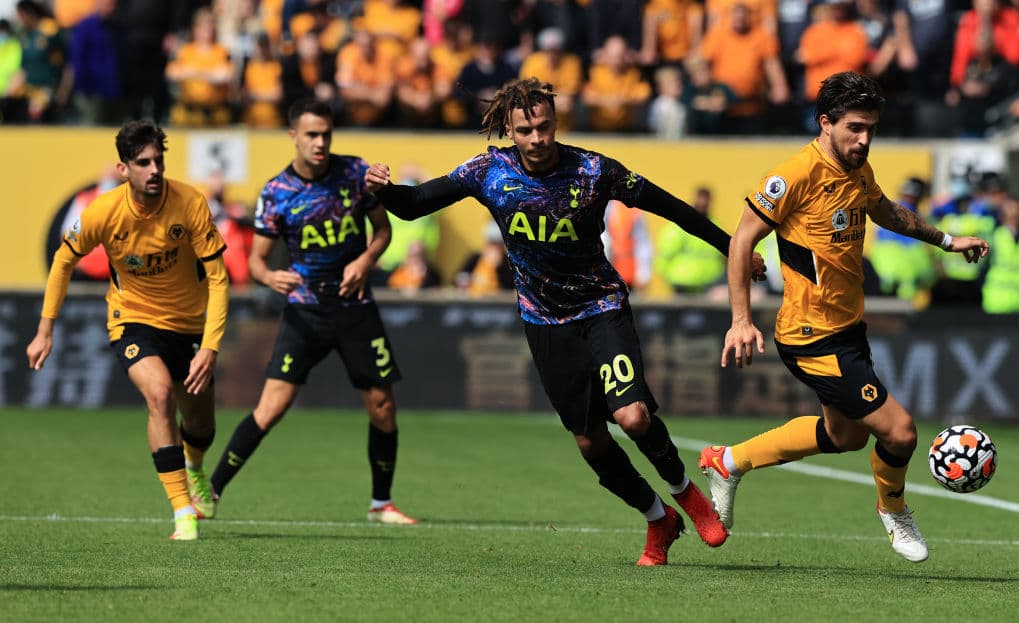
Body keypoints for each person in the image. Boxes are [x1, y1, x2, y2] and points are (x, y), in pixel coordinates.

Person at [365, 77, 767, 566]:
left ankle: (687, 494)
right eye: (525, 130)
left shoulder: (594, 171)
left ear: (556, 122)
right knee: (589, 439)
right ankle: (657, 518)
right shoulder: (487, 171)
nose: (537, 139)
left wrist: (734, 249)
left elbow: (672, 208)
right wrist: (381, 189)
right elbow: (412, 206)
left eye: (545, 127)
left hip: (601, 307)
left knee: (633, 416)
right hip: (544, 322)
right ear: (508, 130)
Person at [706, 71, 990, 564]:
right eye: (855, 128)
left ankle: (728, 462)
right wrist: (740, 319)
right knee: (899, 431)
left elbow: (886, 211)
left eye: (871, 130)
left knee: (845, 436)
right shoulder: (794, 175)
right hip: (811, 336)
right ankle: (894, 511)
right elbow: (741, 239)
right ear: (826, 123)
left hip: (848, 328)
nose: (864, 140)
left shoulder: (859, 169)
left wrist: (947, 241)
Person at [207, 98, 416, 526]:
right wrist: (271, 278)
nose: (320, 143)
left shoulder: (355, 173)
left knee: (383, 406)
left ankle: (381, 504)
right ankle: (210, 491)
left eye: (326, 134)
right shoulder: (277, 192)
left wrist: (364, 262)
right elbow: (257, 263)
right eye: (312, 135)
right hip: (306, 310)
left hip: (354, 306)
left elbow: (383, 232)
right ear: (293, 137)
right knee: (270, 409)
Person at [26, 120, 230, 541]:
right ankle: (182, 513)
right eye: (143, 163)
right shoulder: (103, 211)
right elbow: (64, 261)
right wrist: (45, 330)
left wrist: (209, 347)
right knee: (158, 396)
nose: (154, 170)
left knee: (201, 426)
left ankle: (194, 467)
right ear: (124, 169)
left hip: (190, 326)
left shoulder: (190, 203)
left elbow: (219, 278)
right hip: (132, 321)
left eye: (159, 160)